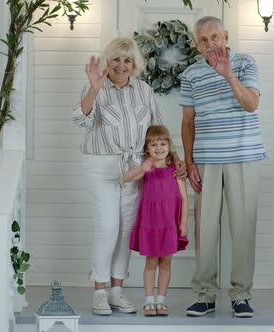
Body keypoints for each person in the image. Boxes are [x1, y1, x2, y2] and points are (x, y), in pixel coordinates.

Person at [72, 37, 185, 316]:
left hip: (135, 169)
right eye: (116, 59)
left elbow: (158, 128)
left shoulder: (144, 90)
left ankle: (116, 292)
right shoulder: (95, 87)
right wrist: (94, 91)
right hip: (102, 166)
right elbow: (80, 119)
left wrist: (175, 158)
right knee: (108, 226)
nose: (121, 65)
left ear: (134, 64)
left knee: (125, 230)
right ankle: (99, 291)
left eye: (127, 60)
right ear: (107, 62)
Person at [180, 16, 267, 318]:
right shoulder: (190, 74)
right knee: (205, 231)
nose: (210, 44)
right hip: (206, 161)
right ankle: (205, 295)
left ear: (226, 36)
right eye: (203, 40)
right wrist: (189, 161)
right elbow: (188, 121)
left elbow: (252, 104)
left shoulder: (244, 63)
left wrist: (228, 75)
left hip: (244, 157)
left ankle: (241, 295)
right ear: (196, 44)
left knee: (243, 228)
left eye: (215, 37)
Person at [122, 125, 189, 317]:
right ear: (147, 148)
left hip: (169, 225)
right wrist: (141, 168)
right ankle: (149, 301)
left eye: (162, 143)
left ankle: (161, 300)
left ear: (169, 145)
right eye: (153, 145)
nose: (158, 148)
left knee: (166, 263)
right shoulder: (147, 168)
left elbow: (184, 198)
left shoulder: (175, 170)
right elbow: (125, 178)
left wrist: (183, 223)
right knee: (151, 263)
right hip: (151, 224)